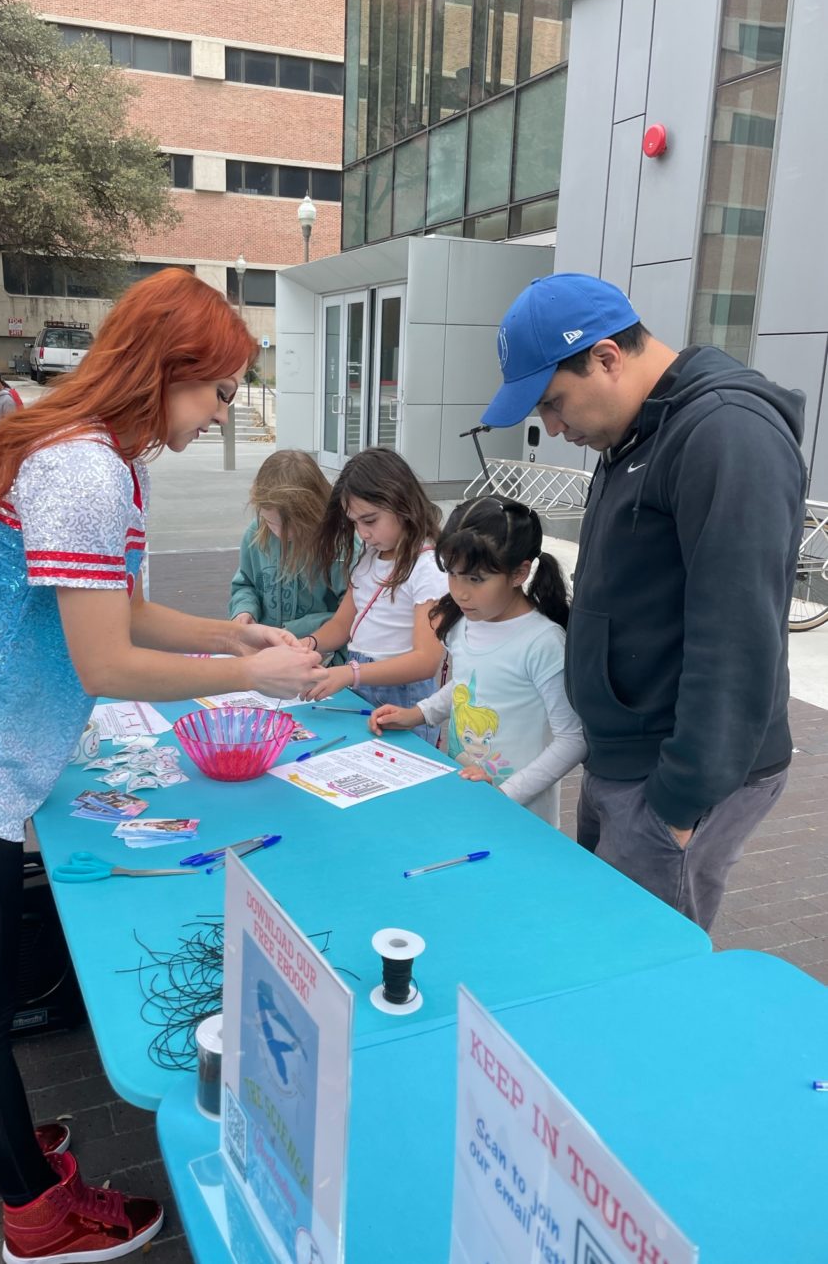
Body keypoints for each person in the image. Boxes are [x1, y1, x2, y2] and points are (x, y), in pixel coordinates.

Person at [0, 269, 326, 1263]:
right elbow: (105, 661)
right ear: (167, 373)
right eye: (218, 388)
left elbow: (118, 611)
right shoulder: (85, 471)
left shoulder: (98, 455)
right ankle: (35, 1210)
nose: (223, 409)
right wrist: (254, 681)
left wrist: (232, 640)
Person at [481, 271, 806, 929]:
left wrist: (680, 803)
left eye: (553, 401)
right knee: (596, 945)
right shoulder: (631, 431)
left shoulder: (725, 434)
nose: (552, 426)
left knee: (638, 971)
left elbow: (738, 638)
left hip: (674, 775)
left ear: (606, 357)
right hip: (623, 758)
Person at [368, 497, 585, 826]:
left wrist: (506, 793)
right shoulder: (467, 621)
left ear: (519, 572)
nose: (460, 592)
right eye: (453, 575)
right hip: (466, 798)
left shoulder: (543, 642)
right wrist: (417, 714)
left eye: (475, 579)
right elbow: (468, 685)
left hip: (520, 817)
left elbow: (573, 739)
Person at [301, 447, 448, 743]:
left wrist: (350, 673)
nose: (362, 533)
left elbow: (425, 661)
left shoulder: (428, 567)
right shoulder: (371, 555)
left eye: (370, 520)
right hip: (360, 683)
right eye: (354, 522)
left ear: (403, 504)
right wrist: (309, 644)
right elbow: (343, 625)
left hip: (403, 696)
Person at [228, 449, 351, 658]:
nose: (281, 533)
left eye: (293, 525)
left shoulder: (341, 543)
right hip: (265, 653)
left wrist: (298, 633)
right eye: (271, 522)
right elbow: (245, 584)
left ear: (314, 511)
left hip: (322, 657)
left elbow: (352, 614)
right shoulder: (256, 532)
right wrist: (244, 611)